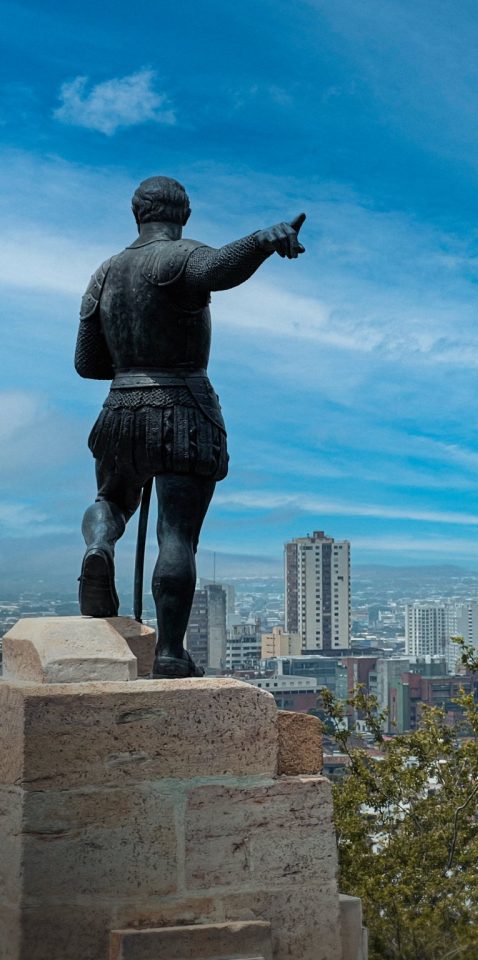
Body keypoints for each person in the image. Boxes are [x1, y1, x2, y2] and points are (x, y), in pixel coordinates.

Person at [75, 175, 306, 678]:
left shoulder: (105, 273)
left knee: (111, 501)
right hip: (184, 407)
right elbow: (220, 268)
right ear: (183, 215)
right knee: (176, 534)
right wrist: (263, 240)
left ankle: (98, 547)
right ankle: (171, 653)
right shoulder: (178, 258)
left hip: (119, 409)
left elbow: (88, 363)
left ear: (137, 213)